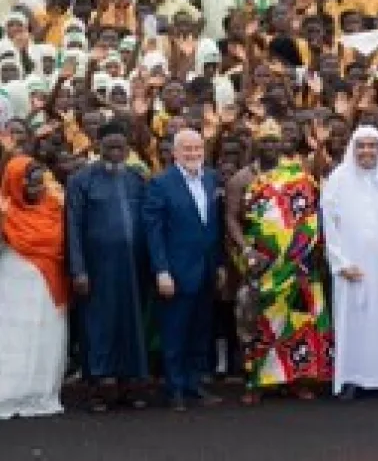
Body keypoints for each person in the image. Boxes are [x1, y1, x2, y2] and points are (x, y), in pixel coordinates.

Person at [237, 119, 332, 405]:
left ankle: (297, 379)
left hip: (300, 261)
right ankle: (256, 382)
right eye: (263, 141)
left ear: (281, 144)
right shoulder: (243, 178)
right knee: (260, 322)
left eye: (273, 140)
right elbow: (232, 217)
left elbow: (317, 188)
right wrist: (246, 251)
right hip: (263, 263)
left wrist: (320, 146)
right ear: (256, 144)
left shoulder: (296, 172)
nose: (269, 146)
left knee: (299, 322)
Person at [321, 126, 378, 400]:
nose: (366, 151)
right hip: (353, 265)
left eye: (372, 146)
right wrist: (340, 263)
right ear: (352, 148)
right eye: (361, 146)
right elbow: (330, 225)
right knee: (353, 321)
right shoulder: (338, 179)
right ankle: (351, 378)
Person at [66, 119, 150, 413]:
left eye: (121, 146)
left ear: (128, 148)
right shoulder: (80, 181)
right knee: (98, 326)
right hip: (97, 269)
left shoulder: (137, 179)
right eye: (109, 146)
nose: (115, 152)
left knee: (131, 325)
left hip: (132, 268)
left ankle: (129, 385)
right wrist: (78, 270)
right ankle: (99, 387)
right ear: (98, 146)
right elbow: (73, 228)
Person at [143, 129, 224, 412]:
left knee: (200, 331)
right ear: (175, 153)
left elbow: (215, 226)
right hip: (176, 273)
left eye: (197, 149)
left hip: (206, 270)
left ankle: (194, 384)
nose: (193, 155)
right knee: (175, 333)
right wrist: (161, 270)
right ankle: (174, 389)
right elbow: (153, 233)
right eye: (186, 150)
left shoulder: (212, 179)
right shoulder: (161, 184)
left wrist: (221, 265)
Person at [0, 155, 68, 419]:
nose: (37, 189)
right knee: (14, 341)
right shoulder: (6, 210)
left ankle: (40, 393)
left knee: (45, 340)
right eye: (31, 184)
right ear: (16, 183)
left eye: (41, 183)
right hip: (14, 287)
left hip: (48, 288)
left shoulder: (53, 206)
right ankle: (10, 392)